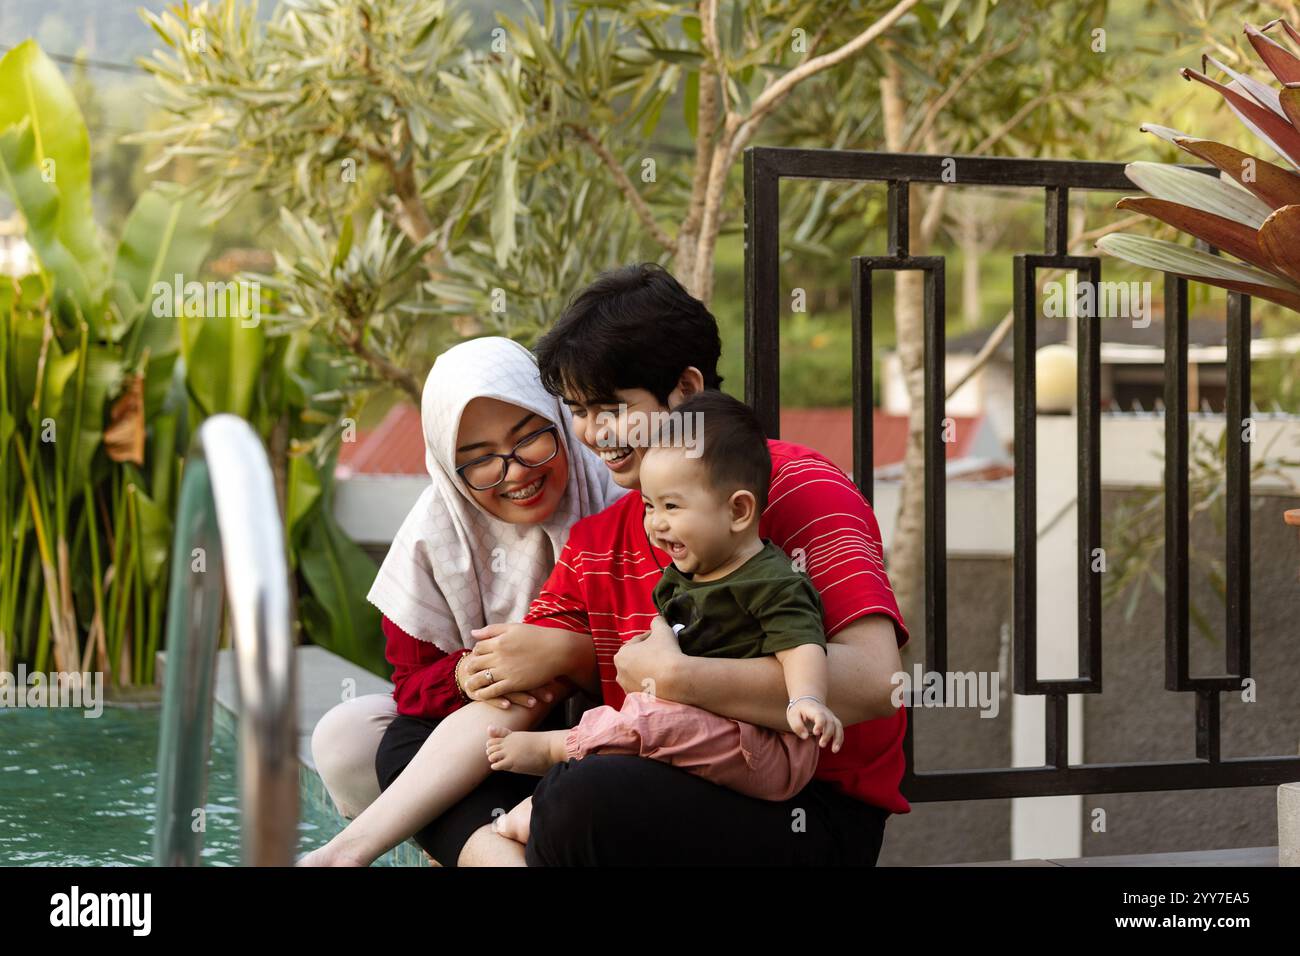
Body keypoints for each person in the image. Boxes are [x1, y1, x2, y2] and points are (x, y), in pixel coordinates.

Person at [376, 262, 913, 866]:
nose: (593, 433)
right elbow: (513, 704)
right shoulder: (603, 532)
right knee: (411, 751)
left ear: (685, 389)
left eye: (610, 407)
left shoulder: (793, 486)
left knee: (584, 793)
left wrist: (677, 678)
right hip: (664, 774)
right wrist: (348, 850)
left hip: (804, 807)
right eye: (578, 411)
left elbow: (875, 683)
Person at [303, 336, 623, 866]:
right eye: (480, 461)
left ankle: (457, 842)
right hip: (485, 747)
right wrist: (467, 674)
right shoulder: (432, 542)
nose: (516, 472)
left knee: (537, 700)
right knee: (348, 738)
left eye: (531, 439)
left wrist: (566, 656)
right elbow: (411, 689)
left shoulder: (620, 507)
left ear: (560, 422)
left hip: (602, 735)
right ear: (450, 471)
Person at [485, 391, 843, 844]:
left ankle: (560, 750)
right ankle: (551, 797)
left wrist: (805, 700)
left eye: (672, 507)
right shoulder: (685, 575)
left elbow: (801, 644)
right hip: (713, 733)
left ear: (738, 510)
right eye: (650, 506)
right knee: (641, 723)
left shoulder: (771, 581)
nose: (655, 523)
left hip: (768, 752)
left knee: (653, 725)